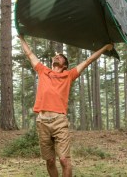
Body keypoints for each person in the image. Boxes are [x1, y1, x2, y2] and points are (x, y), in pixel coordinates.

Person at [18, 35, 113, 177]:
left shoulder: (69, 75)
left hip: (59, 122)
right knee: (50, 160)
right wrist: (21, 38)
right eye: (55, 56)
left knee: (64, 160)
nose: (57, 57)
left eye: (61, 57)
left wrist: (105, 47)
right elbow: (29, 54)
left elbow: (89, 60)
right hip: (42, 122)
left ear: (65, 65)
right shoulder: (43, 70)